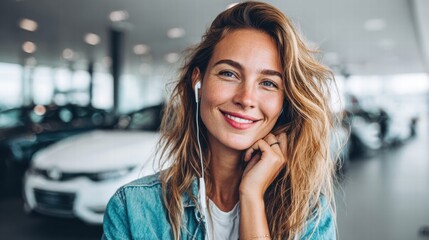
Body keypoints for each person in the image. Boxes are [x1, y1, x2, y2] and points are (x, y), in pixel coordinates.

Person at [103, 1, 337, 239]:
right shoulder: (132, 208)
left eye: (268, 83)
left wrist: (252, 196)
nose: (246, 98)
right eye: (229, 73)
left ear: (284, 102)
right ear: (198, 81)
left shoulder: (309, 215)